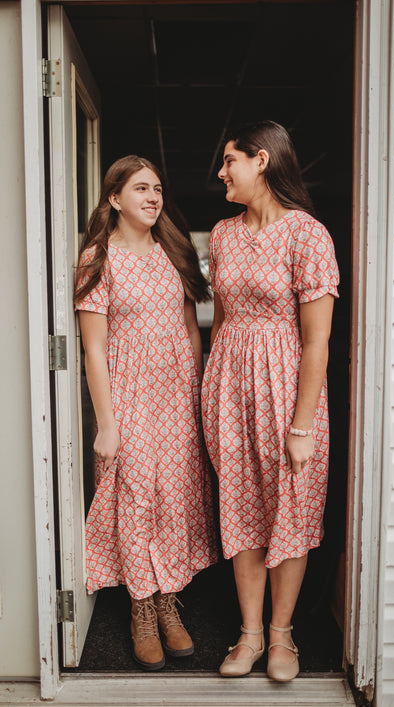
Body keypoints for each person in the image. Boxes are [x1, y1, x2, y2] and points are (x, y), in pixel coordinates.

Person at [201, 120, 339, 682]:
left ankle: (283, 636)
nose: (221, 172)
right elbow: (226, 321)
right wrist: (214, 389)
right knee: (240, 509)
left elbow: (317, 339)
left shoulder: (307, 234)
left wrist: (302, 424)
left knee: (291, 508)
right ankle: (250, 633)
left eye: (229, 160)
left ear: (260, 160)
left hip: (287, 392)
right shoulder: (222, 233)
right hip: (230, 389)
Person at [74, 155, 218, 671]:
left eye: (157, 188)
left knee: (173, 496)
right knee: (135, 495)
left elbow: (190, 330)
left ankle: (167, 600)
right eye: (140, 189)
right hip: (127, 396)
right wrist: (106, 424)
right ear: (115, 199)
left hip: (177, 395)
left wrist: (197, 393)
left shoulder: (172, 249)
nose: (153, 197)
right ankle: (141, 605)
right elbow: (93, 349)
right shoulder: (96, 258)